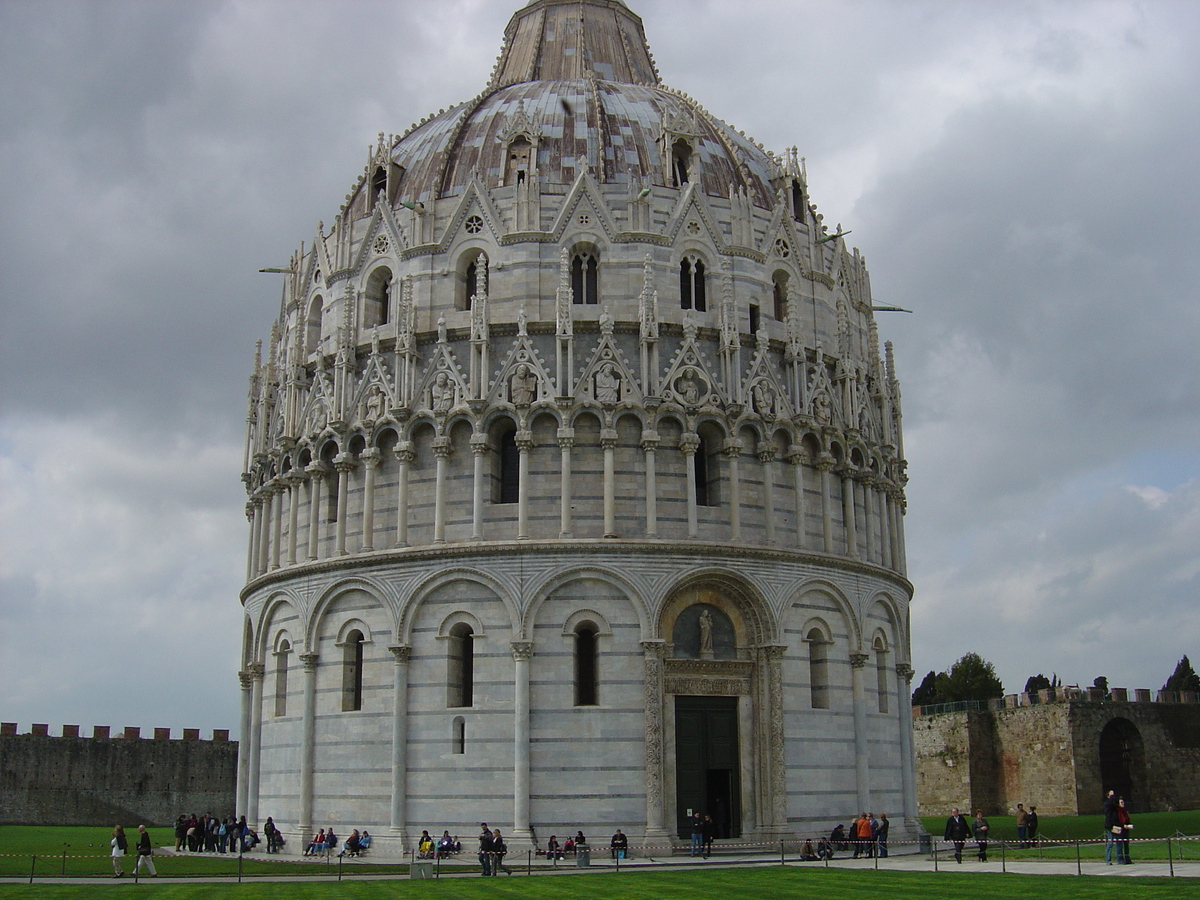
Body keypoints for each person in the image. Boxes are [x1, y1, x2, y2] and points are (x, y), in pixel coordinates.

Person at [1103, 790, 1120, 864]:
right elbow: (1109, 808)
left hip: (1116, 824)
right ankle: (1108, 859)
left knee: (1119, 842)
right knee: (1110, 842)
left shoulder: (1115, 804)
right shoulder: (1108, 804)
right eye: (1111, 795)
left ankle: (1119, 858)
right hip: (1110, 825)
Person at [1117, 797, 1133, 864]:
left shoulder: (1125, 811)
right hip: (1120, 829)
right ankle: (1120, 859)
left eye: (1123, 802)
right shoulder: (1117, 811)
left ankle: (1127, 858)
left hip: (1126, 829)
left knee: (1126, 844)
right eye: (1121, 802)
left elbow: (1127, 819)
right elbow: (1117, 821)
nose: (1123, 803)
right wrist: (1123, 825)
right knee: (1120, 844)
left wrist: (1129, 825)